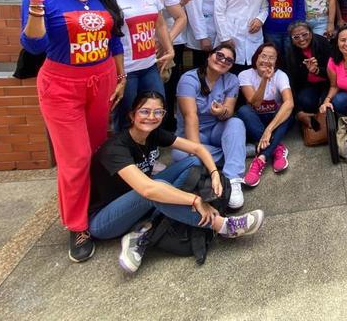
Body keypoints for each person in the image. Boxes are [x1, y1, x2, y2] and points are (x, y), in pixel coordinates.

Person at [14, 0, 126, 262]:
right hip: (62, 84)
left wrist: (121, 77)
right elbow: (33, 46)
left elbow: (113, 40)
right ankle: (77, 225)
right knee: (74, 158)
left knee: (95, 150)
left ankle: (95, 203)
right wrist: (35, 5)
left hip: (102, 80)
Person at [88, 92, 264, 274]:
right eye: (145, 111)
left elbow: (196, 149)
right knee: (154, 189)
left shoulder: (152, 134)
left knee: (192, 162)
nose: (151, 117)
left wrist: (214, 174)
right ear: (132, 115)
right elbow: (147, 189)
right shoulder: (116, 148)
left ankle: (143, 229)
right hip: (104, 220)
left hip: (139, 203)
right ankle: (223, 226)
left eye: (158, 112)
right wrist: (194, 200)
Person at [173, 43, 247, 210]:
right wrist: (195, 149)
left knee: (236, 122)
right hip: (192, 132)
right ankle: (235, 151)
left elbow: (228, 112)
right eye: (219, 55)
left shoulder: (232, 80)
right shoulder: (189, 79)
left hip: (216, 130)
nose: (223, 61)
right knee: (180, 154)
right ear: (209, 56)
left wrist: (222, 111)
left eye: (229, 60)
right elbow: (189, 116)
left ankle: (232, 178)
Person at [108, 0, 174, 130]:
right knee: (126, 118)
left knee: (156, 112)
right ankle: (127, 158)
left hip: (149, 66)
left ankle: (150, 154)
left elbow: (159, 22)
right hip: (124, 71)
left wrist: (169, 49)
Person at [239, 43, 295, 188]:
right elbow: (255, 104)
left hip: (275, 121)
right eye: (263, 56)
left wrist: (268, 130)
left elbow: (289, 103)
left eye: (271, 58)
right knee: (244, 110)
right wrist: (264, 80)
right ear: (256, 57)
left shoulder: (281, 75)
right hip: (256, 121)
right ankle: (277, 148)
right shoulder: (245, 75)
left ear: (276, 61)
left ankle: (261, 158)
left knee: (287, 111)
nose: (266, 60)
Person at [160, 0, 196, 129]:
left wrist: (181, 2)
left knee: (172, 81)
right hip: (166, 41)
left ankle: (168, 120)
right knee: (165, 83)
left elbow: (173, 7)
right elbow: (167, 12)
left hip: (177, 40)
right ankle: (164, 123)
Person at [285, 21, 331, 128]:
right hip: (308, 85)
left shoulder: (322, 42)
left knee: (330, 103)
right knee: (305, 102)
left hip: (328, 82)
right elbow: (291, 82)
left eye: (304, 34)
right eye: (296, 37)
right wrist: (298, 111)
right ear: (292, 39)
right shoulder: (290, 51)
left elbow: (333, 72)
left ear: (311, 33)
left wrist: (316, 70)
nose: (301, 39)